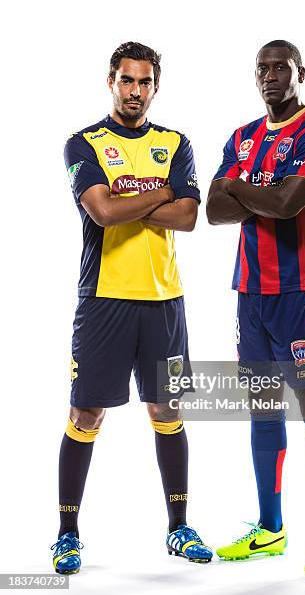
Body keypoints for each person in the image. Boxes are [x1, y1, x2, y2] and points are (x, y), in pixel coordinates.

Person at [51, 41, 213, 574]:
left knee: (167, 411)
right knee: (86, 413)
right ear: (111, 81)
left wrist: (132, 202)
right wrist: (159, 195)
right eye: (127, 80)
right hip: (104, 302)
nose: (135, 91)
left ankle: (179, 527)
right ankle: (67, 533)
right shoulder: (85, 143)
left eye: (144, 82)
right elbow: (101, 212)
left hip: (164, 302)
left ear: (155, 86)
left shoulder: (176, 142)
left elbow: (189, 217)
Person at [206, 40, 305, 578]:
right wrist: (254, 193)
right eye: (263, 68)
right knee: (263, 407)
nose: (271, 76)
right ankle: (269, 529)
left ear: (300, 72)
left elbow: (291, 202)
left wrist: (239, 188)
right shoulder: (243, 137)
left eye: (281, 67)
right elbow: (213, 210)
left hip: (303, 289)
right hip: (250, 291)